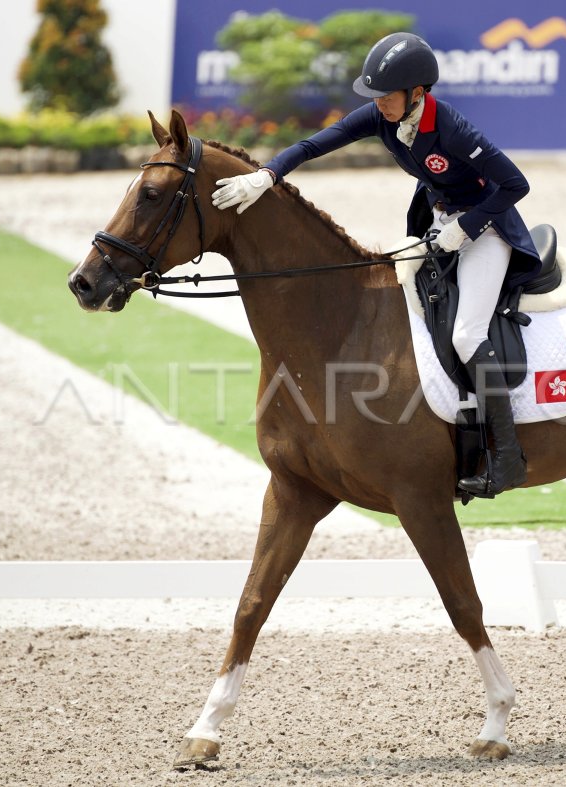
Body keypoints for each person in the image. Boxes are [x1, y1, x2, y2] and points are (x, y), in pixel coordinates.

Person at [211, 32, 541, 497]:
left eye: (387, 97)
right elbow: (313, 145)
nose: (379, 105)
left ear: (418, 94)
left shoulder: (453, 129)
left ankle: (506, 457)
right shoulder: (384, 117)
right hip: (438, 226)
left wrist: (465, 228)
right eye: (377, 98)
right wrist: (266, 176)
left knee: (468, 333)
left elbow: (515, 185)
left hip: (487, 230)